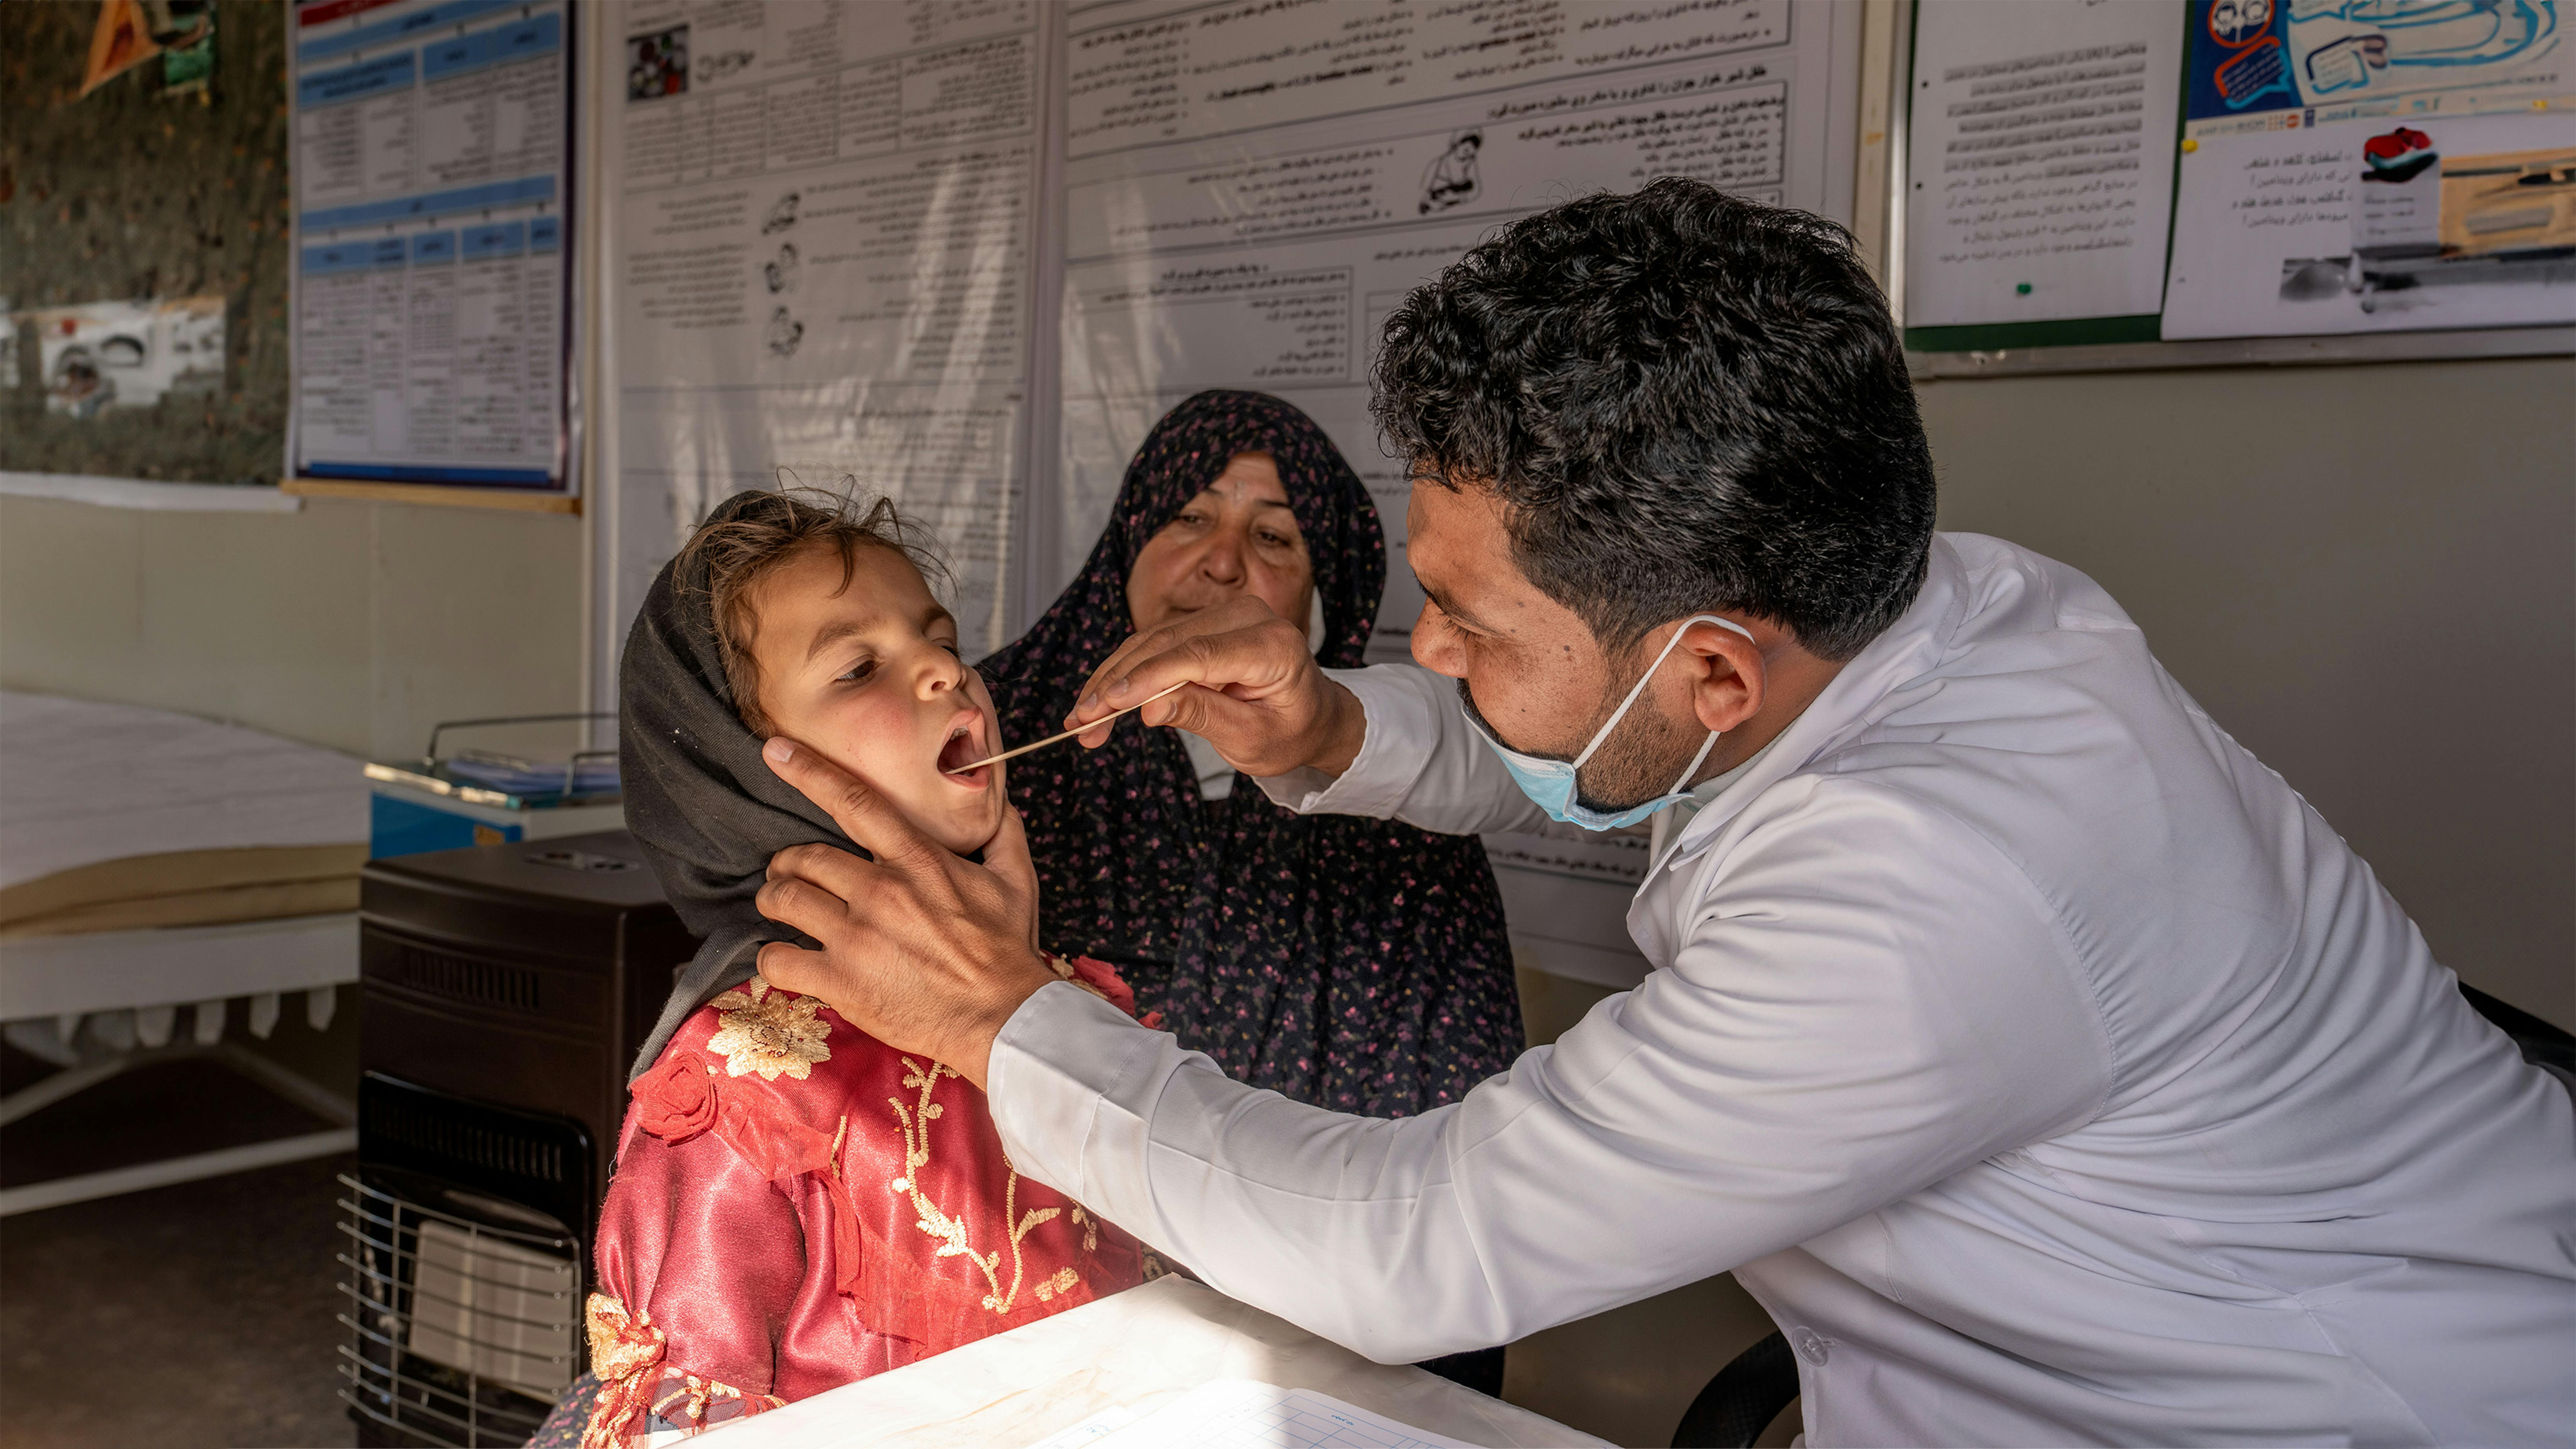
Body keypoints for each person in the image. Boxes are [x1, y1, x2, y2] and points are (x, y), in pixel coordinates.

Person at [744, 181, 2575, 1445]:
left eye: (1469, 620)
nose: (1424, 646)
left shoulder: (1934, 898)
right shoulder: (1901, 608)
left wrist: (1003, 1024)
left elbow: (1417, 1242)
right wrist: (1319, 729)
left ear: (1713, 659)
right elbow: (1610, 746)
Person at [574, 491, 1154, 1446]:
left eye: (942, 638)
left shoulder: (1070, 1001)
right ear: (740, 775)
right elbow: (686, 1419)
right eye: (858, 667)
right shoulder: (740, 1084)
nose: (944, 670)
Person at [976, 390, 1523, 1119]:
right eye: (1189, 518)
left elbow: (1452, 1121)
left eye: (1273, 539)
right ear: (1126, 544)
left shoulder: (1400, 814)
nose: (1222, 564)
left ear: (1322, 597)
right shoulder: (996, 740)